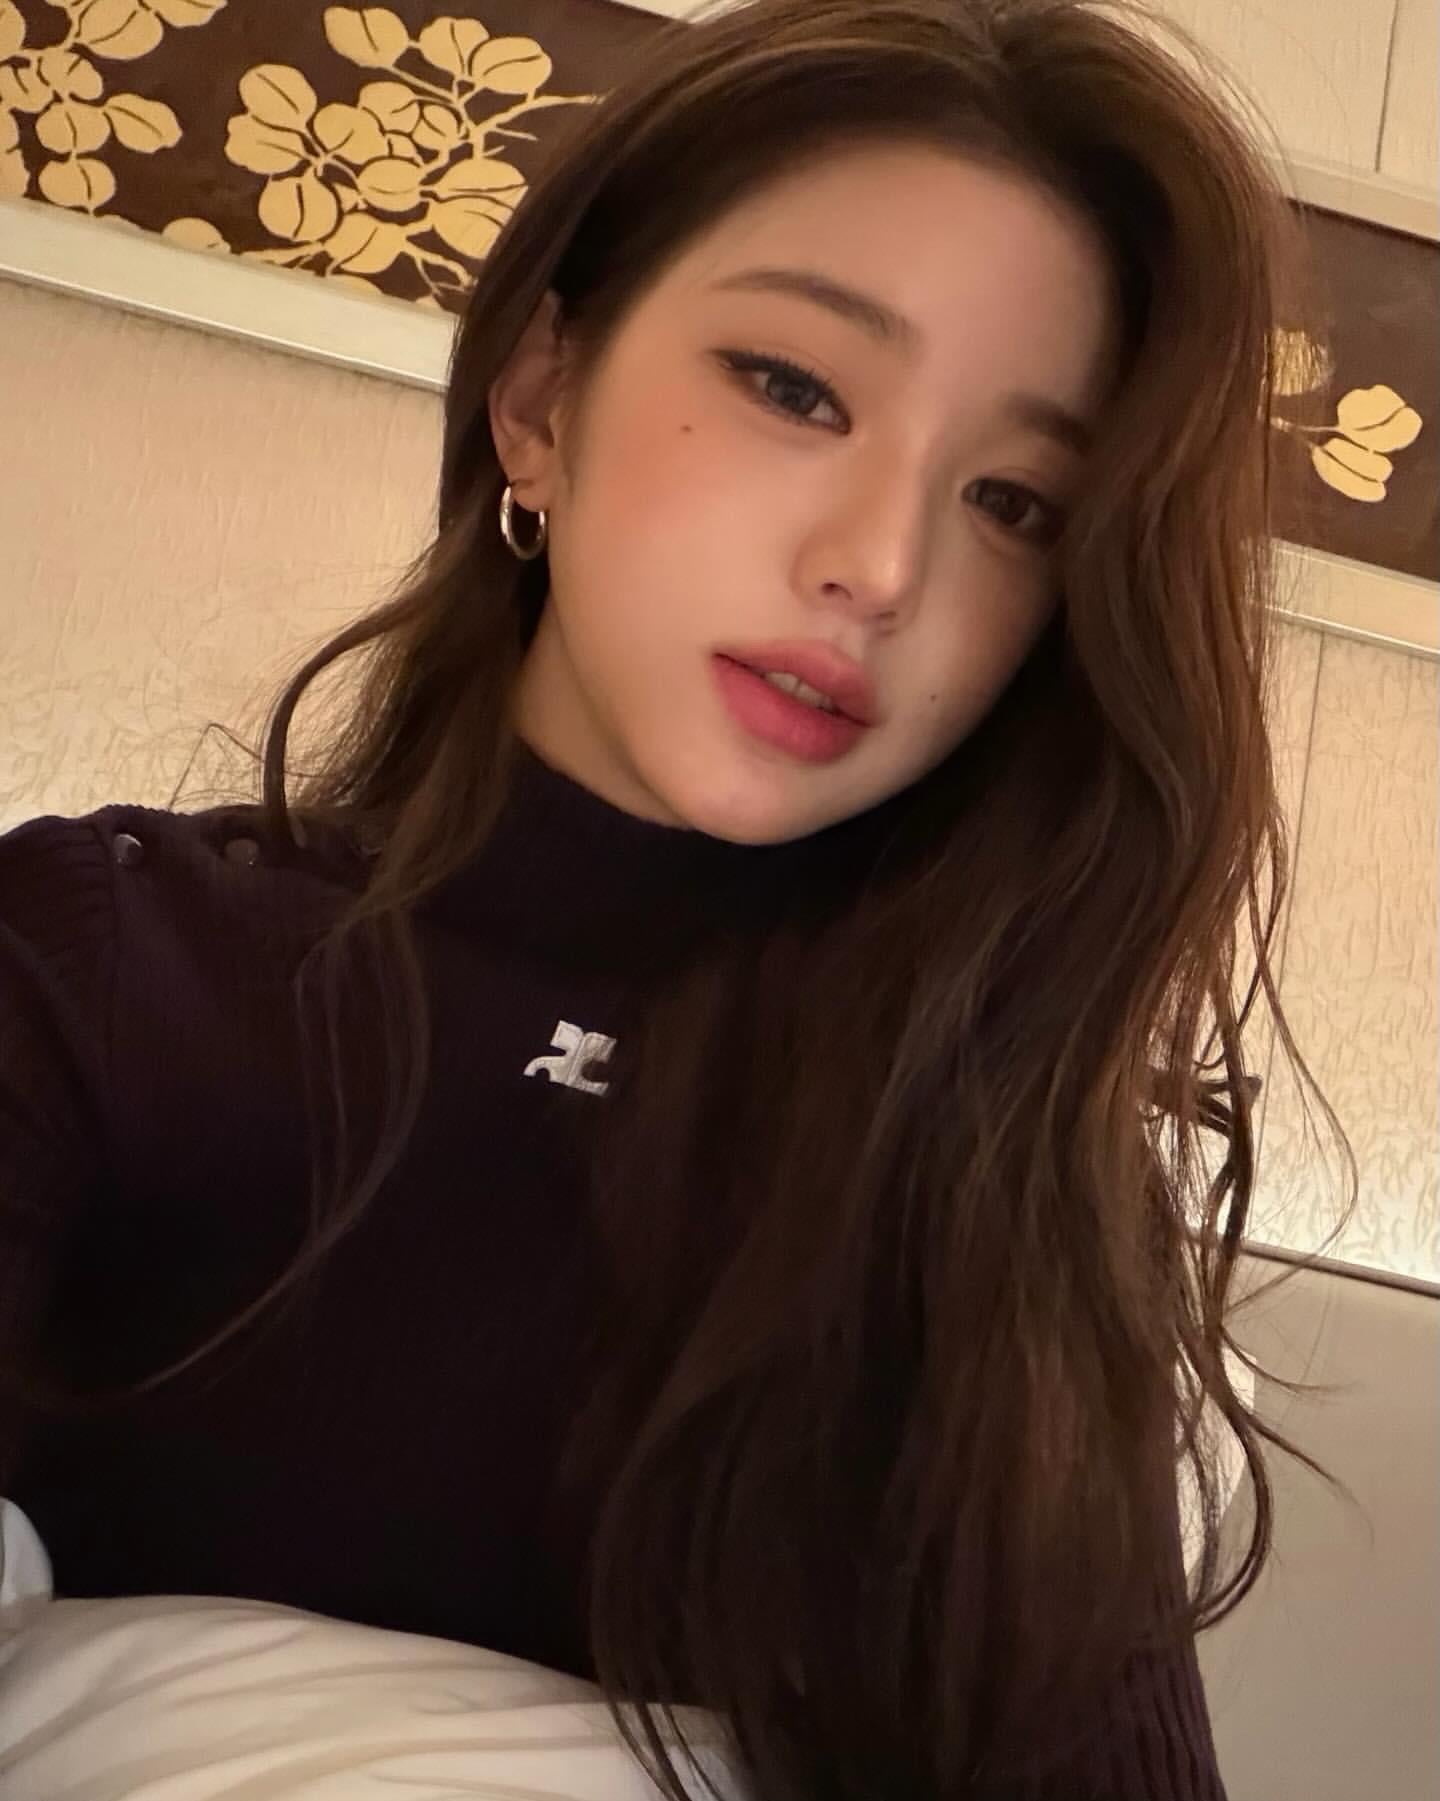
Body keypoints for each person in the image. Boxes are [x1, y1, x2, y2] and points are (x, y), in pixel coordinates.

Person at [0, 0, 1351, 1795]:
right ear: (542, 400)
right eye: (796, 388)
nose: (880, 566)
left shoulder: (1014, 1196)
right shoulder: (100, 972)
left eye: (1019, 501)